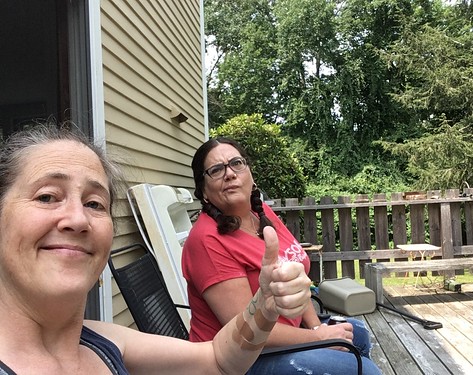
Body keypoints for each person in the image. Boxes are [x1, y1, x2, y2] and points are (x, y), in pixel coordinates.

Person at [0, 124, 313, 375]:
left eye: (95, 203)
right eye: (46, 197)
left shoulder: (103, 343)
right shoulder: (206, 239)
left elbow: (219, 361)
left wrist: (265, 305)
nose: (77, 219)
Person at [182, 137, 382, 375]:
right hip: (242, 360)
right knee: (365, 371)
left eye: (236, 163)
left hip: (281, 339)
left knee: (357, 333)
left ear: (250, 174)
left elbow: (293, 274)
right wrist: (317, 337)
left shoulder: (261, 213)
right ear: (203, 191)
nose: (229, 174)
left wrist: (319, 329)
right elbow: (246, 332)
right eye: (216, 170)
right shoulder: (207, 240)